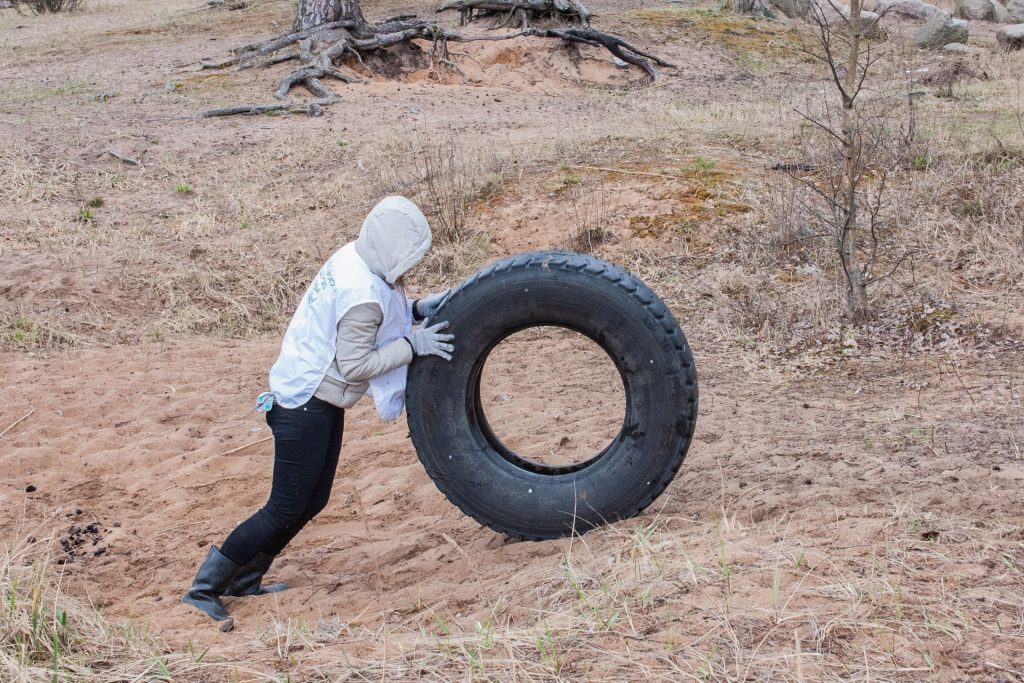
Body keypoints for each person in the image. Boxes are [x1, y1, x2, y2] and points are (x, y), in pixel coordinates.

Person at [182, 196, 455, 625]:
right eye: (407, 257)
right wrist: (412, 345)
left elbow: (380, 312)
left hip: (314, 396)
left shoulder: (357, 256)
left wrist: (418, 308)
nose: (409, 268)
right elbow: (356, 363)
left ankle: (245, 580)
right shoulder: (361, 294)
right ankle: (204, 588)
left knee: (313, 500)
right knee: (284, 507)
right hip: (304, 404)